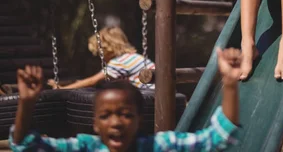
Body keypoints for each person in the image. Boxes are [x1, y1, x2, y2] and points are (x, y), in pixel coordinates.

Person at [9, 48, 242, 152]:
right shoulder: (86, 148)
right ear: (95, 124)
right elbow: (27, 146)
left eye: (126, 114)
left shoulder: (158, 146)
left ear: (139, 119)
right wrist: (27, 103)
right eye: (105, 116)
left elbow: (216, 139)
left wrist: (230, 85)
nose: (116, 123)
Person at [48, 26, 156, 90]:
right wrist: (65, 82)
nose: (99, 57)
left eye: (99, 53)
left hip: (150, 96)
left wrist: (62, 89)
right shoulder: (131, 57)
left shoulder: (118, 62)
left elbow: (91, 81)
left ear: (106, 49)